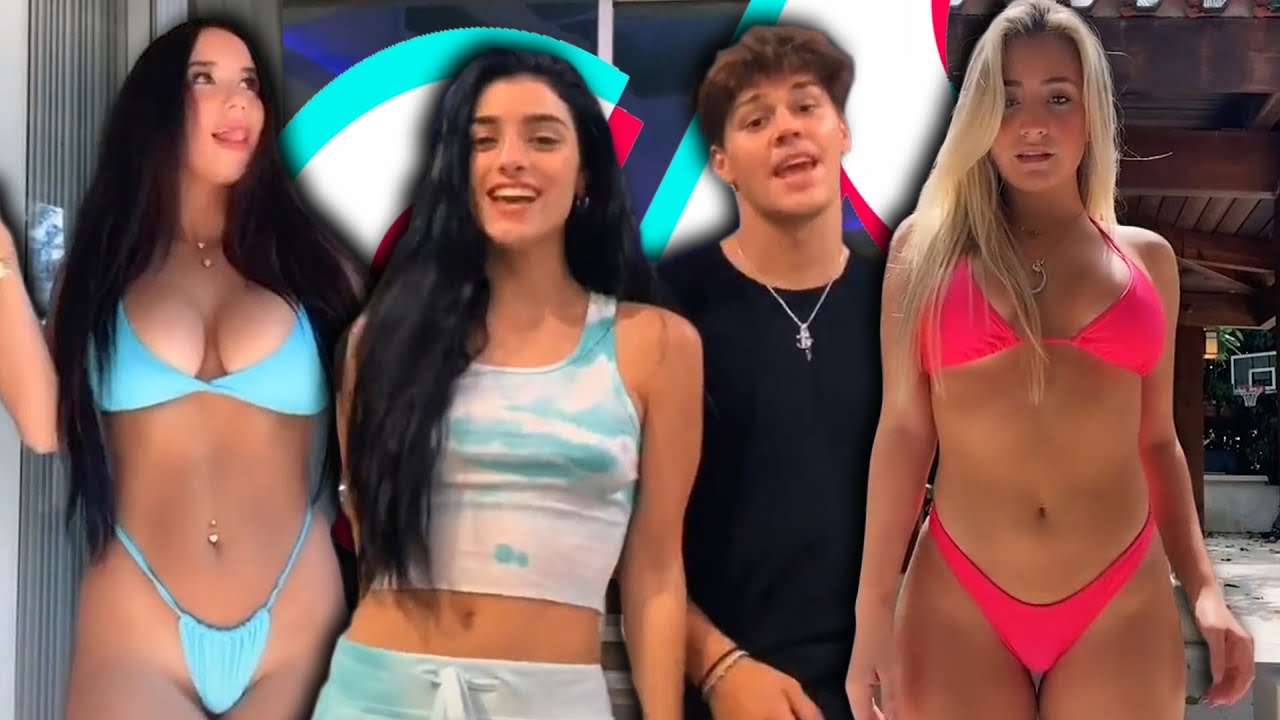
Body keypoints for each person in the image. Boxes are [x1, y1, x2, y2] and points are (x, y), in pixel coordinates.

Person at [845, 2, 1255, 718]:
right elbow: (905, 434)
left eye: (1057, 98)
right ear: (978, 117)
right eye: (1007, 100)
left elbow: (1157, 441)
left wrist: (1206, 592)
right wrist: (871, 610)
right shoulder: (924, 251)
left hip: (1120, 599)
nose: (1031, 124)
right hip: (958, 598)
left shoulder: (1146, 262)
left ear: (1091, 113)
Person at [311, 48, 702, 719]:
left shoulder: (657, 345)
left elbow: (656, 574)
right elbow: (370, 538)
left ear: (585, 173)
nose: (510, 160)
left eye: (542, 139)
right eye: (482, 141)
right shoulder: (383, 340)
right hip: (376, 693)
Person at [0, 18, 365, 719]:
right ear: (158, 108)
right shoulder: (102, 271)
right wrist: (2, 261)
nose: (238, 101)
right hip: (136, 627)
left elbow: (386, 421)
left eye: (249, 83)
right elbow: (47, 427)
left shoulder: (315, 266)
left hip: (298, 625)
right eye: (206, 80)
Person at [655, 25, 884, 720]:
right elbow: (617, 527)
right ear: (722, 162)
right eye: (756, 120)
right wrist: (717, 667)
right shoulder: (665, 307)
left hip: (887, 687)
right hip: (723, 690)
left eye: (806, 106)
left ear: (842, 132)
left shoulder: (903, 300)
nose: (787, 129)